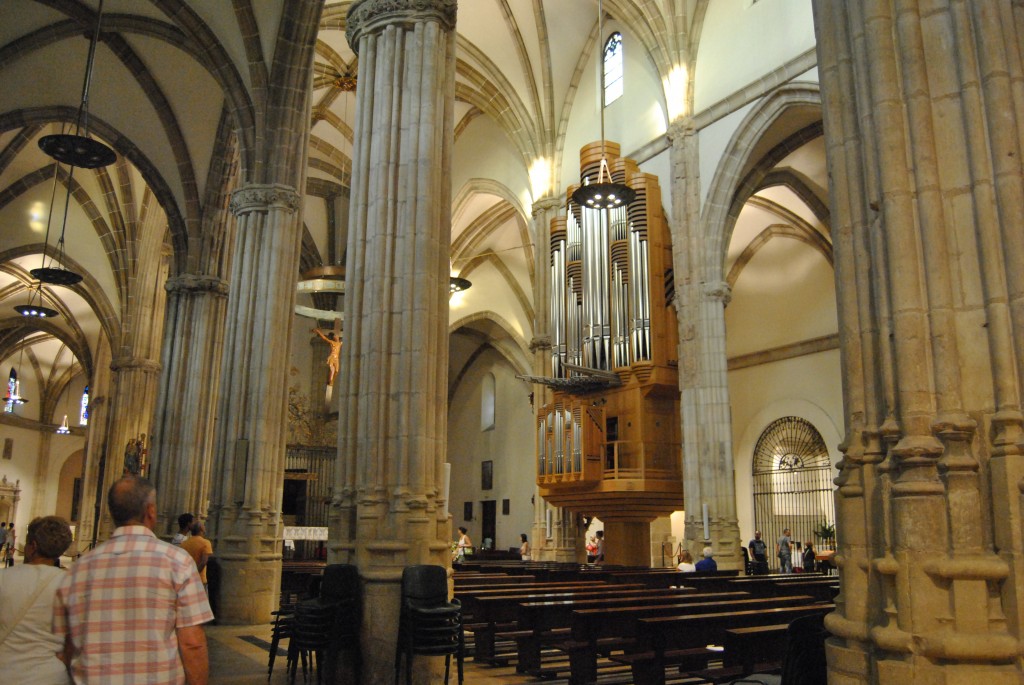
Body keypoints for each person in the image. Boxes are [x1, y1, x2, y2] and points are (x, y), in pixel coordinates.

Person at [54, 476, 213, 684]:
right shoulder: (177, 562)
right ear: (151, 511)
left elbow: (65, 647)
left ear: (112, 514)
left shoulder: (79, 568)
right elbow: (192, 643)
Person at [0, 515, 74, 684]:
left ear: (32, 546)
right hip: (49, 675)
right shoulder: (70, 584)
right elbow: (73, 638)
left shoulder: (3, 578)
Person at [180, 522, 213, 593]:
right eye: (204, 526)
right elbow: (204, 561)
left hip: (186, 578)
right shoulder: (205, 543)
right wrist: (194, 574)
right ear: (201, 529)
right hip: (200, 579)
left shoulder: (184, 543)